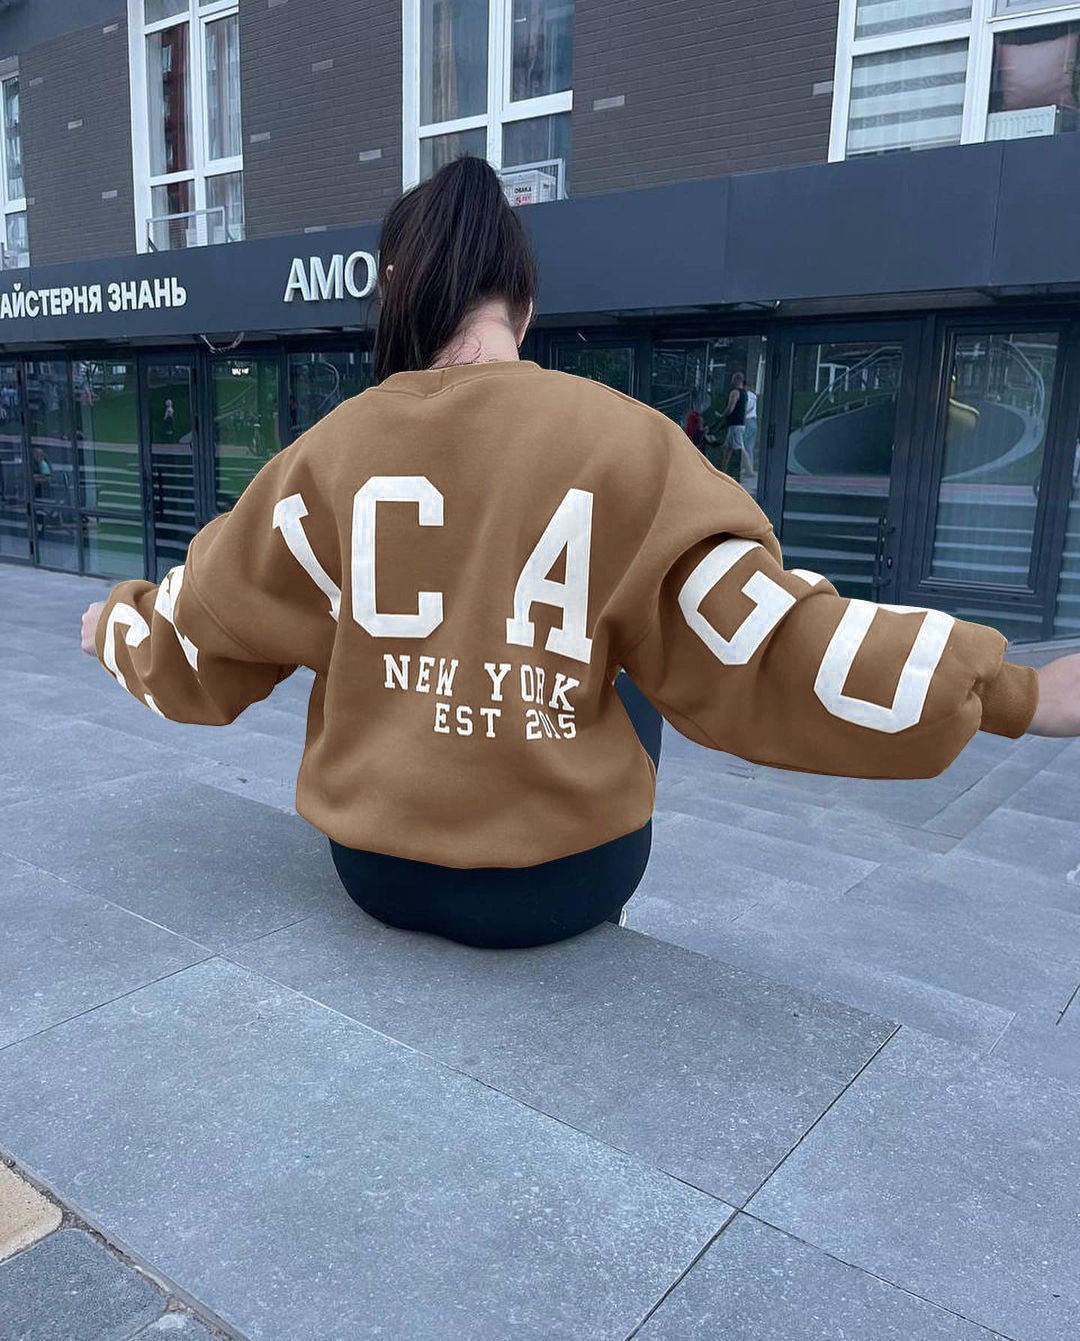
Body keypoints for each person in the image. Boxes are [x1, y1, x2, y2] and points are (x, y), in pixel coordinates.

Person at [80, 155, 1079, 952]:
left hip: (374, 867)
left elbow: (199, 634)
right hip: (557, 884)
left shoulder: (322, 457)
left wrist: (111, 625)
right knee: (647, 625)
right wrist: (1015, 696)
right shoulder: (627, 442)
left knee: (353, 613)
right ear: (523, 306)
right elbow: (773, 643)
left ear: (394, 294)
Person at [719, 372, 753, 478]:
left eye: (733, 379)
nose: (732, 381)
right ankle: (722, 471)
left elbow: (730, 407)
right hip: (738, 424)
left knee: (740, 447)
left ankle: (749, 470)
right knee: (728, 448)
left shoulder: (735, 392)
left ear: (738, 380)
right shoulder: (745, 393)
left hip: (735, 424)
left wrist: (722, 415)